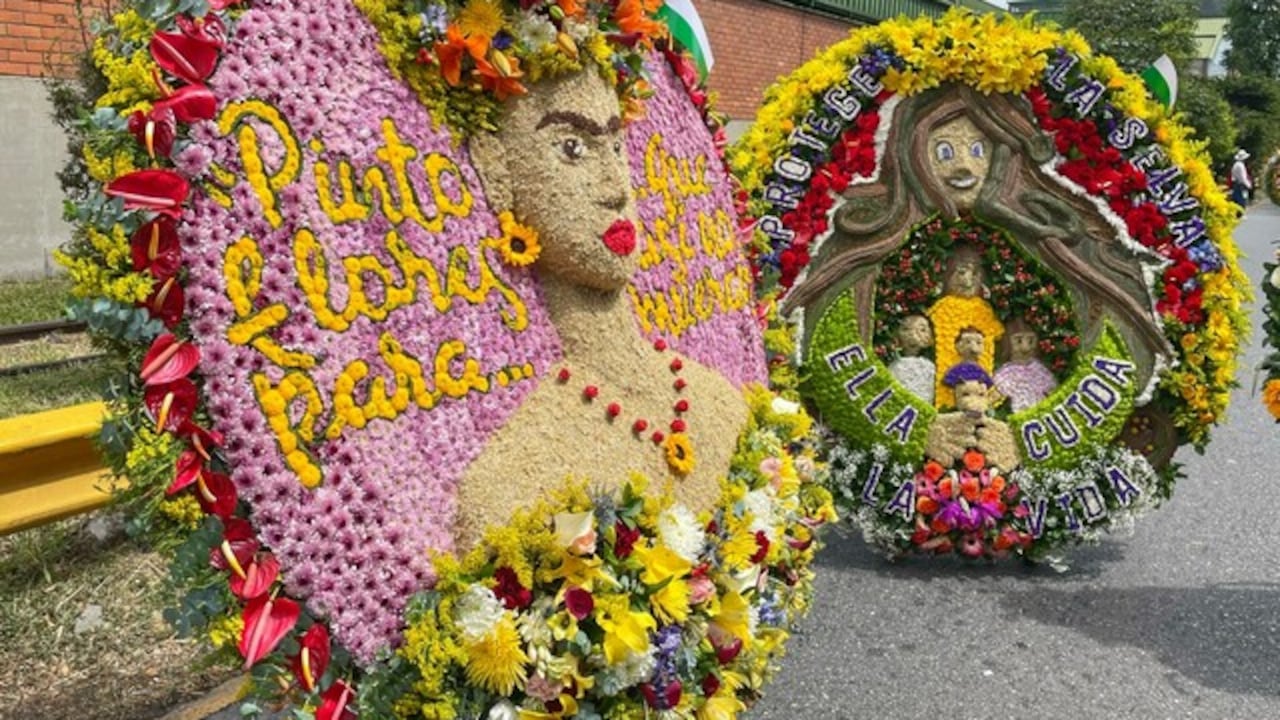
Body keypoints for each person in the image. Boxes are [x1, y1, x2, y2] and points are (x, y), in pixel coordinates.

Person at [457, 64, 749, 550]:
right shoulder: (509, 483)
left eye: (616, 146)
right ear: (497, 169)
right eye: (572, 148)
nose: (616, 187)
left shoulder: (718, 401)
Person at [926, 250, 1003, 409]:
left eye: (974, 274)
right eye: (961, 273)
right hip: (946, 393)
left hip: (981, 392)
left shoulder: (985, 310)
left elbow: (999, 337)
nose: (968, 281)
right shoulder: (940, 309)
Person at [924, 362, 1019, 470]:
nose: (973, 400)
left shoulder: (997, 424)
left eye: (980, 394)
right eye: (965, 394)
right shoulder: (943, 420)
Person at [993, 317, 1058, 413]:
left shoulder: (1039, 369)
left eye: (1030, 341)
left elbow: (1052, 390)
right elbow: (999, 394)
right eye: (1018, 341)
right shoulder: (1005, 373)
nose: (1025, 348)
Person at [888, 314, 936, 403]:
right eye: (906, 329)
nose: (912, 334)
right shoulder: (896, 365)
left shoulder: (929, 366)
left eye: (922, 330)